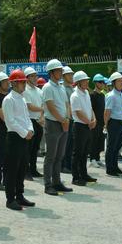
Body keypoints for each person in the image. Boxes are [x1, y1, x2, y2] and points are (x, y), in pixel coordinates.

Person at [2, 69, 35, 210]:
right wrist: (24, 132)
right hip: (14, 137)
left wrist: (30, 129)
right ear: (14, 84)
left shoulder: (22, 98)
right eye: (22, 82)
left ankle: (20, 195)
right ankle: (10, 199)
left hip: (24, 136)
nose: (24, 85)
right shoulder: (8, 99)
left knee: (22, 167)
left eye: (24, 82)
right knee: (12, 170)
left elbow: (27, 117)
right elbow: (10, 121)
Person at [42, 59, 72, 195]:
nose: (61, 72)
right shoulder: (47, 87)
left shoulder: (60, 87)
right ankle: (48, 184)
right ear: (51, 72)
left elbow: (66, 104)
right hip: (53, 123)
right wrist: (62, 120)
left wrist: (67, 119)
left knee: (60, 155)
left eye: (61, 70)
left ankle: (57, 182)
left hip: (63, 122)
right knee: (51, 156)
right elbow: (50, 106)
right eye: (59, 70)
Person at [70, 71, 97, 186]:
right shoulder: (75, 95)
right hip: (80, 126)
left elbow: (90, 108)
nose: (87, 82)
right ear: (78, 82)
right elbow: (78, 112)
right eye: (85, 80)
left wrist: (94, 119)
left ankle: (84, 174)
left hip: (87, 125)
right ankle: (76, 177)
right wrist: (89, 122)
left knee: (85, 151)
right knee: (78, 152)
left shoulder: (86, 93)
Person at [104, 72, 122, 177]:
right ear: (113, 83)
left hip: (121, 122)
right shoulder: (111, 95)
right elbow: (107, 112)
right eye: (119, 81)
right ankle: (110, 168)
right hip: (113, 123)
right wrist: (106, 125)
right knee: (111, 146)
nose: (121, 83)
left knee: (117, 146)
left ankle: (115, 166)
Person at [22, 67, 44, 178]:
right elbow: (29, 106)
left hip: (38, 121)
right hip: (29, 120)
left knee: (35, 148)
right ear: (27, 78)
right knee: (28, 148)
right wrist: (42, 110)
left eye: (36, 75)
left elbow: (43, 105)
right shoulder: (25, 90)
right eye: (32, 76)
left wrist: (42, 115)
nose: (35, 78)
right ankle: (26, 171)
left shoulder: (39, 90)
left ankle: (33, 169)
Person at [89, 74, 106, 167]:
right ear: (95, 83)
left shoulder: (103, 95)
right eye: (100, 82)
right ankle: (92, 159)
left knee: (100, 140)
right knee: (94, 140)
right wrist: (93, 119)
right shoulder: (92, 95)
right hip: (95, 121)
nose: (102, 84)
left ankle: (98, 158)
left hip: (102, 122)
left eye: (103, 82)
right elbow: (91, 109)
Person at [61, 66, 75, 174]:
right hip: (66, 119)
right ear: (64, 76)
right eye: (69, 74)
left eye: (72, 74)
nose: (71, 76)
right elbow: (65, 105)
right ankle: (64, 165)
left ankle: (68, 164)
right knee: (65, 143)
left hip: (73, 119)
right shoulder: (62, 89)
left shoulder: (72, 89)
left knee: (70, 143)